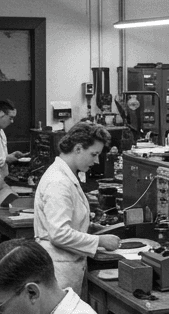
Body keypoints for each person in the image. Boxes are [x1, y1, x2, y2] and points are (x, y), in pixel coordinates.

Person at [34, 122, 123, 293]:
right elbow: (59, 234)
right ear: (78, 148)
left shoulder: (65, 175)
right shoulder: (58, 182)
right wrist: (100, 241)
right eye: (94, 154)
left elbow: (66, 219)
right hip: (59, 271)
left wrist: (89, 227)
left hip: (66, 266)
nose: (96, 161)